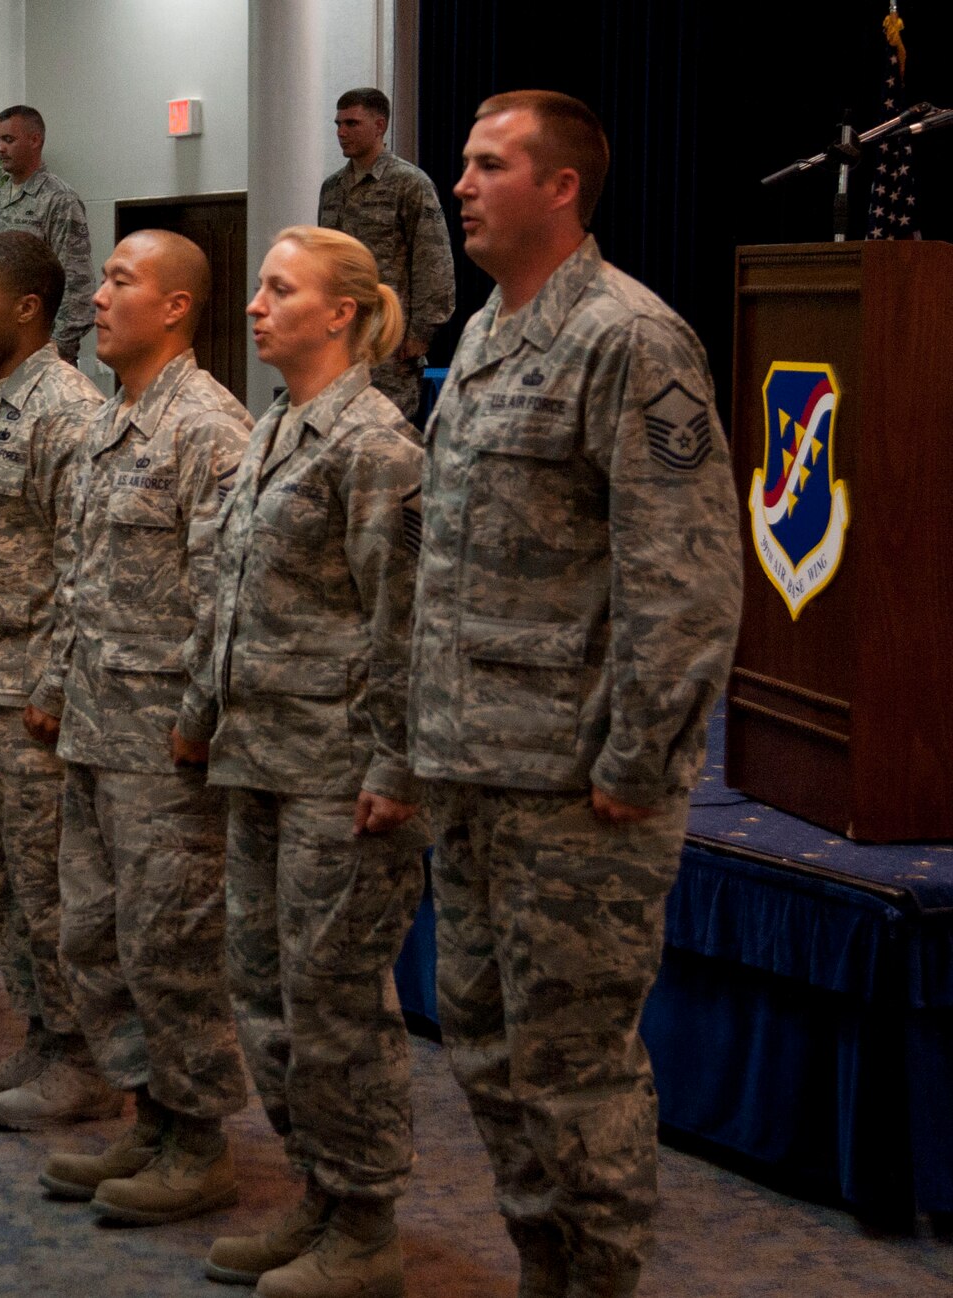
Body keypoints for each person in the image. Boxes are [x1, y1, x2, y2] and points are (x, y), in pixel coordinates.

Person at [413, 91, 740, 1298]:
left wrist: (634, 761)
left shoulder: (628, 339)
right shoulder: (491, 334)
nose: (459, 182)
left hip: (574, 787)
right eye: (460, 163)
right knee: (487, 1050)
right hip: (472, 764)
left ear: (559, 188)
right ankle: (541, 1264)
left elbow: (686, 574)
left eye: (486, 164)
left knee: (571, 1067)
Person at [190, 226, 425, 1296]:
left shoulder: (373, 444)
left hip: (339, 774)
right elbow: (236, 598)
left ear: (339, 312)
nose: (255, 304)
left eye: (279, 290)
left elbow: (406, 624)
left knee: (333, 1003)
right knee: (263, 991)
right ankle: (316, 1195)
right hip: (259, 757)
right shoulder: (279, 427)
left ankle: (365, 1224)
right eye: (257, 289)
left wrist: (394, 767)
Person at [32, 229, 252, 1225]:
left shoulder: (207, 426)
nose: (99, 294)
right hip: (91, 724)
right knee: (95, 935)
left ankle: (196, 1137)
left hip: (163, 742)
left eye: (121, 279)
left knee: (171, 945)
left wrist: (198, 721)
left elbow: (225, 596)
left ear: (174, 306)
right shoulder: (107, 419)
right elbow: (75, 575)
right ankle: (148, 1113)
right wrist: (52, 683)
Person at [0, 230, 118, 1125]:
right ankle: (42, 1040)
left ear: (29, 308)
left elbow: (85, 562)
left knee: (47, 893)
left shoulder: (66, 410)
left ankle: (83, 1061)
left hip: (27, 699)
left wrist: (55, 688)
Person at [318, 88, 455, 421]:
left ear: (379, 126)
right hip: (339, 340)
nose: (341, 132)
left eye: (351, 123)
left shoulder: (409, 183)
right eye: (338, 123)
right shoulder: (332, 188)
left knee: (386, 442)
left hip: (390, 345)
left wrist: (422, 332)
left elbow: (434, 261)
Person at [0, 105, 94, 364]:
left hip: (41, 354)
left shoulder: (59, 200)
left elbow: (77, 284)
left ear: (35, 140)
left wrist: (57, 352)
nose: (0, 148)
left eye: (9, 140)